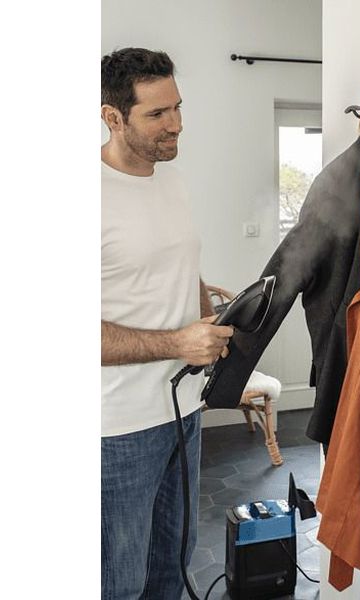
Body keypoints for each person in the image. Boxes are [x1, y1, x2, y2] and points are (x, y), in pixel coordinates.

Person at [101, 47, 233, 599]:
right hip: (115, 430)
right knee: (119, 583)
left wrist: (206, 312)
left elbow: (182, 262)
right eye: (157, 113)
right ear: (112, 117)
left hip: (183, 410)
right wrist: (179, 341)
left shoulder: (171, 181)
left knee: (171, 569)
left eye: (177, 107)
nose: (175, 124)